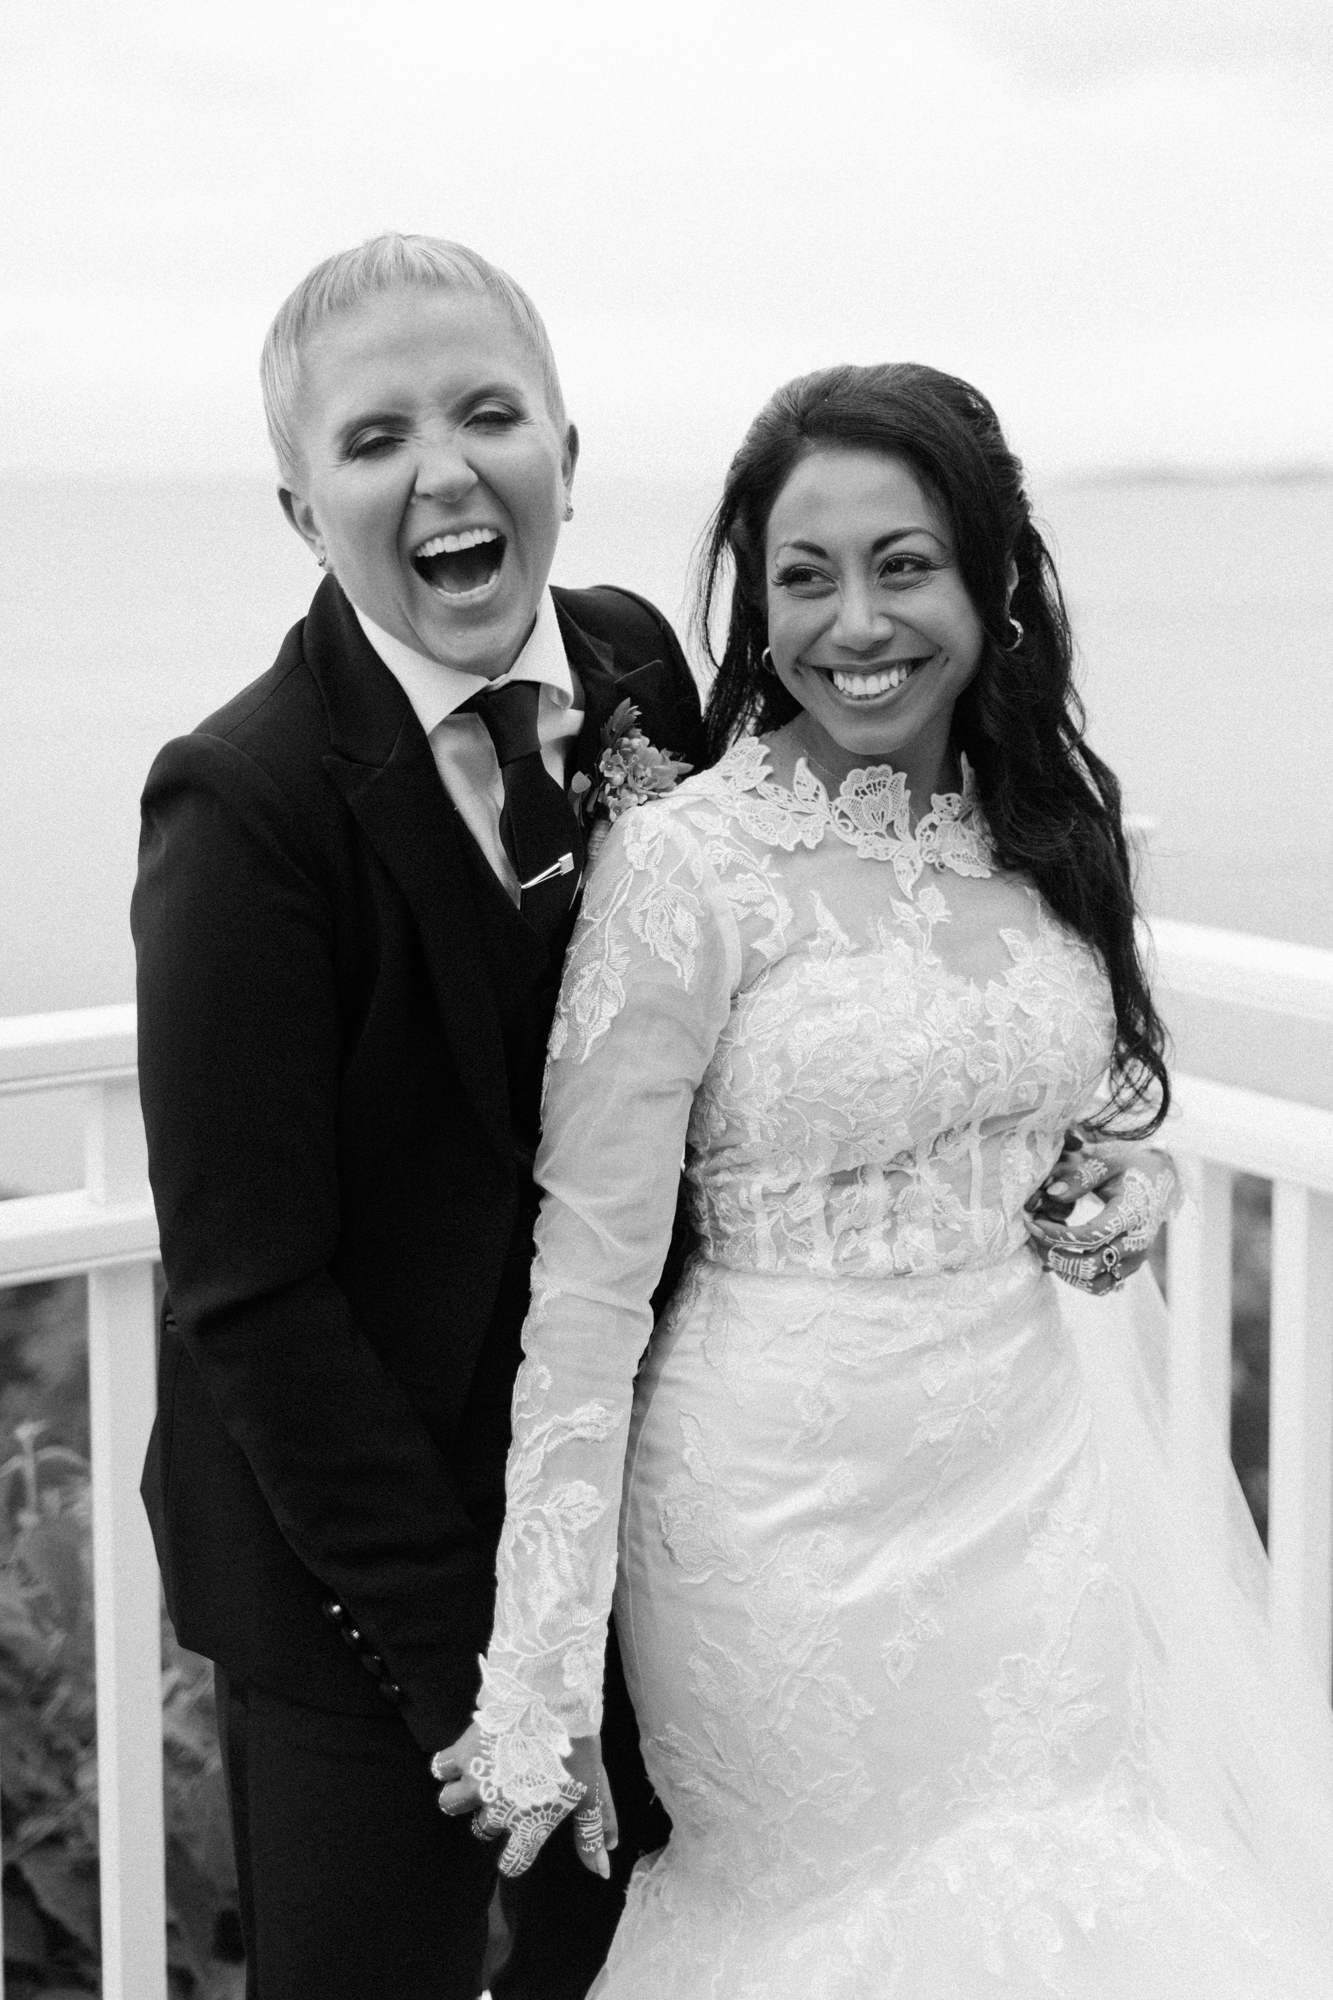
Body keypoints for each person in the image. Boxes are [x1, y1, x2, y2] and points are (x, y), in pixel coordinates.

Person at [436, 362, 1333, 1995]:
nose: (855, 623)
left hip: (1039, 1483)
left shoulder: (1046, 829)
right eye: (805, 576)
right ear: (756, 603)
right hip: (773, 1524)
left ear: (991, 582)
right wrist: (540, 1666)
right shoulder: (686, 867)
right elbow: (585, 1286)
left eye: (902, 565)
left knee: (1073, 1885)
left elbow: (1055, 1095)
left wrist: (1120, 1178)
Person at [131, 233, 706, 2000]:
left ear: (566, 454)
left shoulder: (637, 668)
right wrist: (483, 1664)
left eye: (487, 415)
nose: (444, 471)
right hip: (355, 1573)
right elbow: (251, 1294)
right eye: (375, 440)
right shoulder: (241, 804)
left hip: (622, 1520)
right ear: (304, 511)